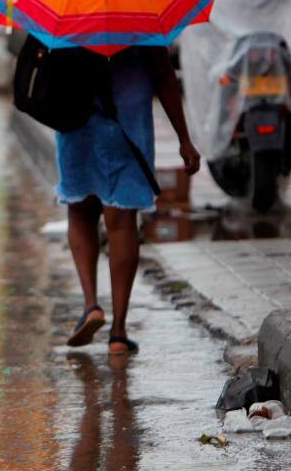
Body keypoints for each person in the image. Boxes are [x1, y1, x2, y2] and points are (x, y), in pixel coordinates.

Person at [59, 47, 201, 355]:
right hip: (127, 122)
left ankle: (91, 305)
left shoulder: (68, 20)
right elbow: (164, 74)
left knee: (80, 212)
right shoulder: (141, 21)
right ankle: (119, 333)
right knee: (122, 222)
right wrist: (184, 139)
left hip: (76, 114)